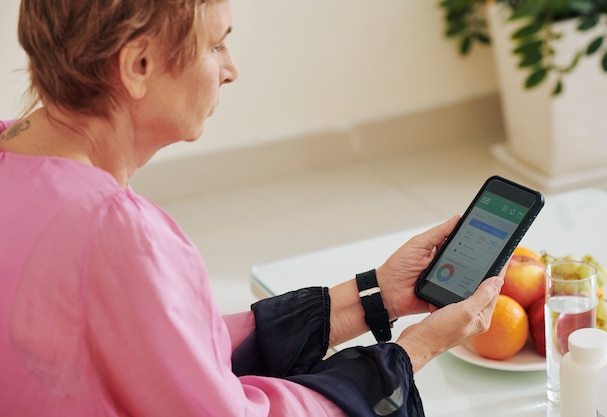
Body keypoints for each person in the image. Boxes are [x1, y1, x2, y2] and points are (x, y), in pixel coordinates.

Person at [0, 1, 504, 416]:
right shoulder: (113, 232)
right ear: (139, 66)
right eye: (216, 44)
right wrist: (412, 352)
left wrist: (377, 294)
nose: (231, 69)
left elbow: (171, 353)